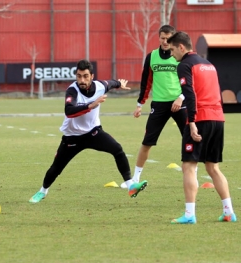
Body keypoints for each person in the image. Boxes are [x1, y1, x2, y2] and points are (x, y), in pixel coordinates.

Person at [29, 60, 148, 203]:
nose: (82, 80)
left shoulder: (100, 86)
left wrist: (119, 84)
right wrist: (91, 105)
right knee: (56, 168)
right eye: (79, 76)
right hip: (72, 137)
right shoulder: (72, 90)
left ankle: (130, 186)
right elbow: (69, 111)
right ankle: (43, 191)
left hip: (93, 133)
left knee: (117, 149)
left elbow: (110, 83)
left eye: (85, 76)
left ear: (92, 76)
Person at [167, 31, 236, 224]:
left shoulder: (184, 65)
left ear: (181, 47)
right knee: (213, 167)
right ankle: (228, 212)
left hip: (201, 118)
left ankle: (189, 214)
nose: (172, 54)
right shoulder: (209, 64)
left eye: (172, 50)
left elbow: (189, 94)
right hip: (218, 119)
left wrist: (192, 123)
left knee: (189, 166)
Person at [120, 25, 187, 189]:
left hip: (180, 103)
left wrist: (181, 98)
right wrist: (139, 104)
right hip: (159, 105)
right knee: (147, 142)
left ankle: (192, 175)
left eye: (168, 38)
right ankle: (135, 178)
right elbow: (146, 82)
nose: (165, 41)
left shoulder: (180, 56)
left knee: (189, 140)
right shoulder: (152, 57)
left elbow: (190, 82)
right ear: (159, 38)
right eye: (163, 38)